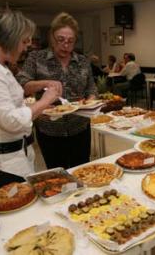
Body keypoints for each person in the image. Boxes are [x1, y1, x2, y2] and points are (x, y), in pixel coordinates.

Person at [0, 10, 62, 189]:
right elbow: (10, 120)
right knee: (18, 209)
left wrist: (38, 105)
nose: (26, 47)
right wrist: (45, 101)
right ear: (9, 38)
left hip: (17, 152)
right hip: (4, 161)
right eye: (24, 41)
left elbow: (13, 105)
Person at [16, 12, 97, 170]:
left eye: (70, 41)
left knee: (81, 171)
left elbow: (91, 87)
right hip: (49, 130)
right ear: (52, 37)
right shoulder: (36, 58)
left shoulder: (82, 61)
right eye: (60, 40)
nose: (65, 45)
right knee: (57, 175)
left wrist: (91, 100)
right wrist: (45, 83)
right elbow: (21, 83)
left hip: (79, 127)